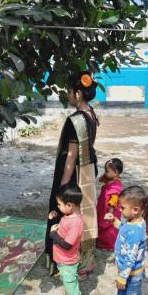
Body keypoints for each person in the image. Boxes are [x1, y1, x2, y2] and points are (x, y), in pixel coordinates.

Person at [46, 71, 99, 276]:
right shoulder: (91, 113)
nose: (67, 95)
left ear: (78, 94)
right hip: (87, 168)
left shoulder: (75, 120)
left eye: (69, 92)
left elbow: (71, 156)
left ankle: (62, 259)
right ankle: (85, 258)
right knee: (84, 212)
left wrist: (62, 186)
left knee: (64, 210)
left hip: (74, 171)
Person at [108, 186, 147, 295]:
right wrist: (116, 222)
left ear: (136, 209)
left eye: (123, 207)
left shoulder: (134, 231)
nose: (120, 209)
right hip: (137, 271)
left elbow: (130, 257)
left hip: (129, 273)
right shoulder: (136, 223)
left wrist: (123, 277)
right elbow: (125, 228)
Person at [49, 184, 84, 295]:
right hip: (62, 259)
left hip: (68, 261)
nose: (58, 207)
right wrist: (56, 214)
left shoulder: (75, 223)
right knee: (65, 280)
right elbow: (64, 224)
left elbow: (67, 244)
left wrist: (53, 234)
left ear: (70, 205)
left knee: (72, 288)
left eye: (59, 205)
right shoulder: (69, 214)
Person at [97, 158, 124, 251]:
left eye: (107, 171)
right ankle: (101, 241)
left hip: (108, 210)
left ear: (115, 173)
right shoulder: (110, 179)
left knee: (108, 227)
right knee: (101, 224)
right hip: (102, 207)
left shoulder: (116, 187)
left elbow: (113, 201)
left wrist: (110, 213)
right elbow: (102, 180)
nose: (105, 172)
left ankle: (108, 245)